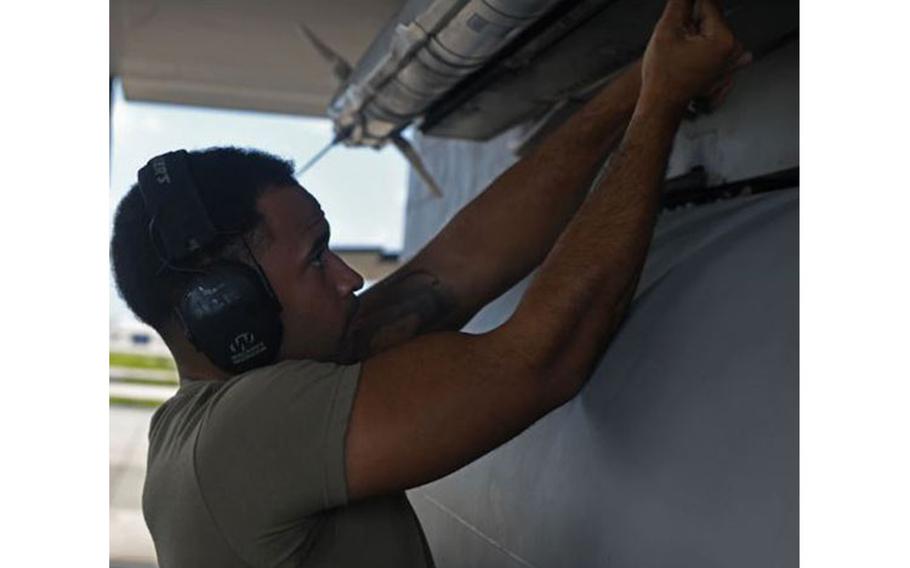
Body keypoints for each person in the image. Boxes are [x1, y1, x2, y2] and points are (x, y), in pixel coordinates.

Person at [110, 0, 749, 565]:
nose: (350, 278)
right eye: (315, 258)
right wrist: (659, 107)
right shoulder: (247, 435)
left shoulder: (210, 419)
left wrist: (639, 83)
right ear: (226, 308)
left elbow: (450, 271)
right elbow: (542, 357)